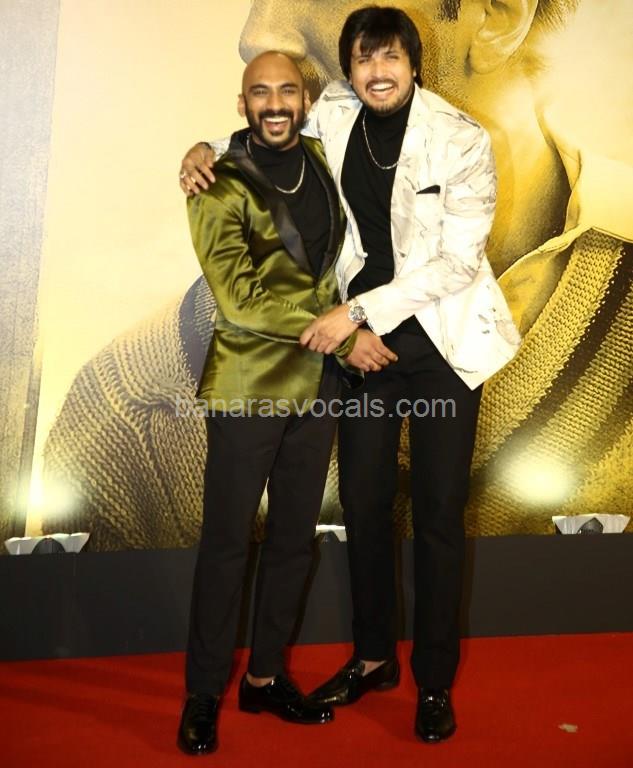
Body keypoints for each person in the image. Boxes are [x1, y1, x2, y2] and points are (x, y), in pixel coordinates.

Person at [182, 6, 520, 744]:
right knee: (364, 508)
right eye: (363, 60)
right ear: (348, 71)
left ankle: (434, 681)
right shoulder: (333, 112)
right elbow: (266, 124)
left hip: (439, 348)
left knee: (436, 516)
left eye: (390, 57)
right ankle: (373, 658)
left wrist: (354, 313)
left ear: (413, 64)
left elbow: (457, 262)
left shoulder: (462, 137)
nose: (377, 72)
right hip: (361, 354)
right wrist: (202, 147)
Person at [177, 50, 397, 756]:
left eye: (286, 91)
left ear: (305, 99)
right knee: (226, 544)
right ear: (241, 103)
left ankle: (264, 677)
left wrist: (337, 341)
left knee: (294, 542)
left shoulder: (323, 158)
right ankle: (203, 692)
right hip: (249, 385)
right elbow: (240, 301)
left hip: (317, 387)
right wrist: (342, 337)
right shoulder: (214, 183)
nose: (274, 104)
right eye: (259, 92)